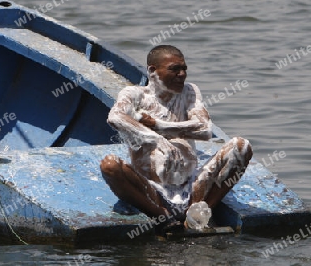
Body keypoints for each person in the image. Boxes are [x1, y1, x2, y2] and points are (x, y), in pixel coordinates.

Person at [100, 45, 253, 230]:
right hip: (153, 189)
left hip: (192, 187)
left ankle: (197, 212)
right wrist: (154, 139)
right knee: (109, 166)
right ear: (152, 71)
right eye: (174, 69)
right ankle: (161, 216)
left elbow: (204, 130)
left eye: (184, 69)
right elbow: (115, 117)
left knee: (241, 146)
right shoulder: (135, 95)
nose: (181, 74)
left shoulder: (189, 92)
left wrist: (160, 126)